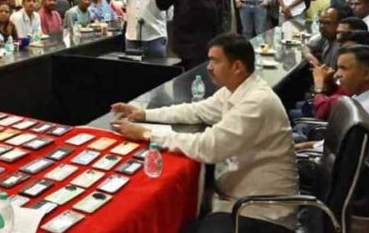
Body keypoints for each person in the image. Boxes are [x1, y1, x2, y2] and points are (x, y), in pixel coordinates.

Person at [111, 34, 298, 233]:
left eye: (215, 61)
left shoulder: (257, 102)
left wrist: (146, 133)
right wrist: (143, 113)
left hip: (261, 211)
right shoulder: (235, 89)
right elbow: (196, 111)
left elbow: (208, 147)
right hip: (235, 198)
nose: (209, 67)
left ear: (237, 67)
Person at [296, 45, 369, 151]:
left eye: (343, 68)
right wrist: (303, 146)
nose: (337, 74)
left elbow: (339, 154)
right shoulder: (365, 98)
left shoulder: (365, 115)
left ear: (366, 74)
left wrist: (298, 148)